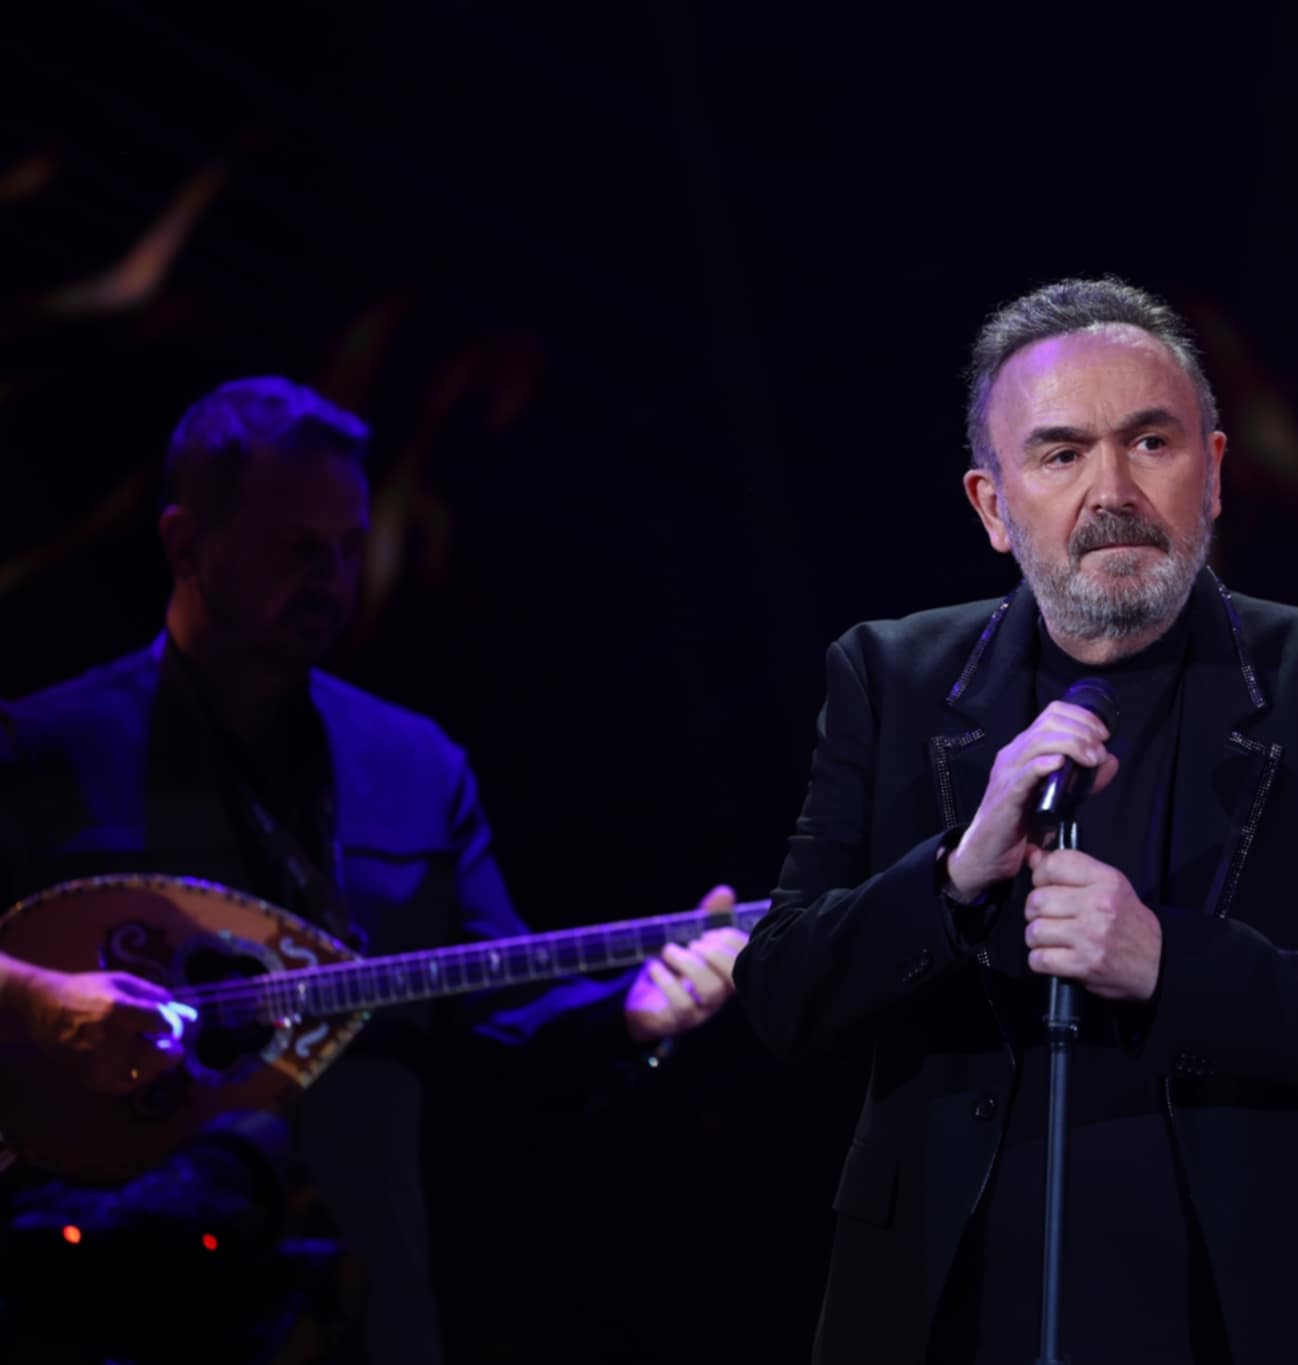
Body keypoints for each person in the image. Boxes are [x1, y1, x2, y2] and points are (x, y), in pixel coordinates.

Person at [735, 278, 1298, 1363]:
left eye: (1151, 442)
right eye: (1061, 453)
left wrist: (1170, 963)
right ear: (992, 506)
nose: (1112, 491)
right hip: (956, 1297)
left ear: (1214, 471)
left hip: (1255, 1306)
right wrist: (953, 878)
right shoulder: (889, 678)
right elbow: (783, 992)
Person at [0, 377, 747, 1364]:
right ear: (186, 545)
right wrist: (39, 1000)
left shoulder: (415, 766)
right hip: (99, 1296)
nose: (333, 577)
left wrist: (632, 1016)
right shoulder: (46, 747)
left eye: (348, 548)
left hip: (355, 1297)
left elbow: (499, 1010)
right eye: (297, 548)